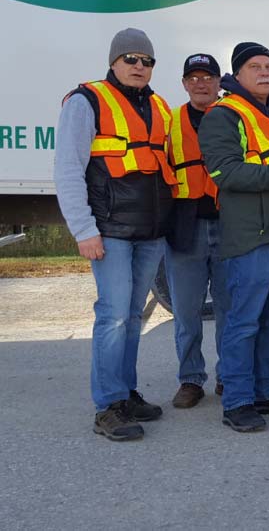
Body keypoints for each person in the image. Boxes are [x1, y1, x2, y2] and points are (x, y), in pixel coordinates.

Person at [54, 28, 175, 441]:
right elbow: (68, 170)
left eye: (147, 60)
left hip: (150, 232)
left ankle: (126, 393)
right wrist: (84, 230)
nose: (139, 66)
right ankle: (107, 406)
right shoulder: (86, 101)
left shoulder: (160, 106)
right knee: (114, 315)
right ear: (113, 61)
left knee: (131, 320)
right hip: (109, 232)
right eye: (131, 59)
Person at [198, 42, 269, 433]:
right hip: (250, 238)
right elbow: (225, 173)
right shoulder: (223, 115)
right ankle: (238, 400)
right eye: (255, 67)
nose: (265, 73)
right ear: (238, 75)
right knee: (244, 322)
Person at [165, 54, 231, 409]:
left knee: (228, 308)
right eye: (194, 77)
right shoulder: (168, 120)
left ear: (220, 82)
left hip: (228, 221)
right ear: (184, 83)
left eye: (208, 76)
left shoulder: (234, 115)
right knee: (187, 311)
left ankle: (227, 376)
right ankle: (190, 380)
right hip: (184, 223)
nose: (201, 83)